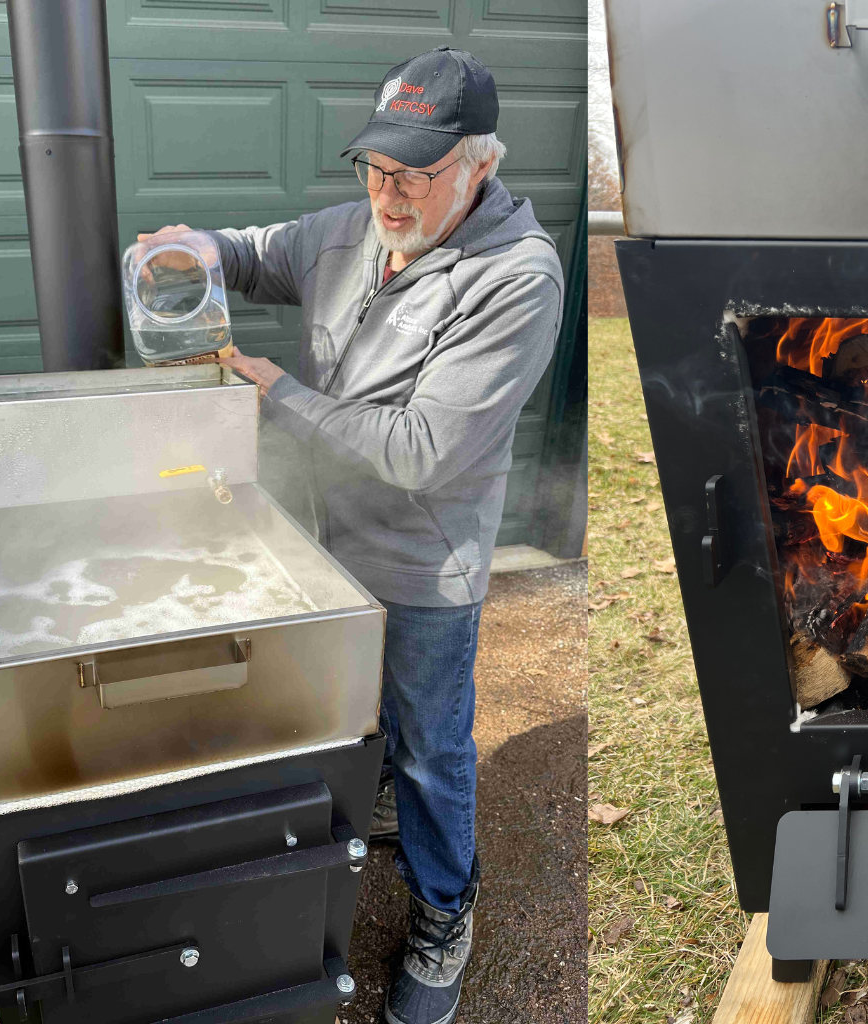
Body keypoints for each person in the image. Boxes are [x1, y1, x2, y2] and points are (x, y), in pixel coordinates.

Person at [139, 46, 564, 1024]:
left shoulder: (517, 277)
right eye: (375, 167)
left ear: (480, 165)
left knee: (430, 747)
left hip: (423, 563)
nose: (388, 195)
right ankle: (379, 806)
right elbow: (261, 252)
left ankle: (445, 911)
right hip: (325, 544)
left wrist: (276, 393)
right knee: (351, 711)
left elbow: (421, 450)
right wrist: (200, 248)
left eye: (415, 173)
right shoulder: (350, 229)